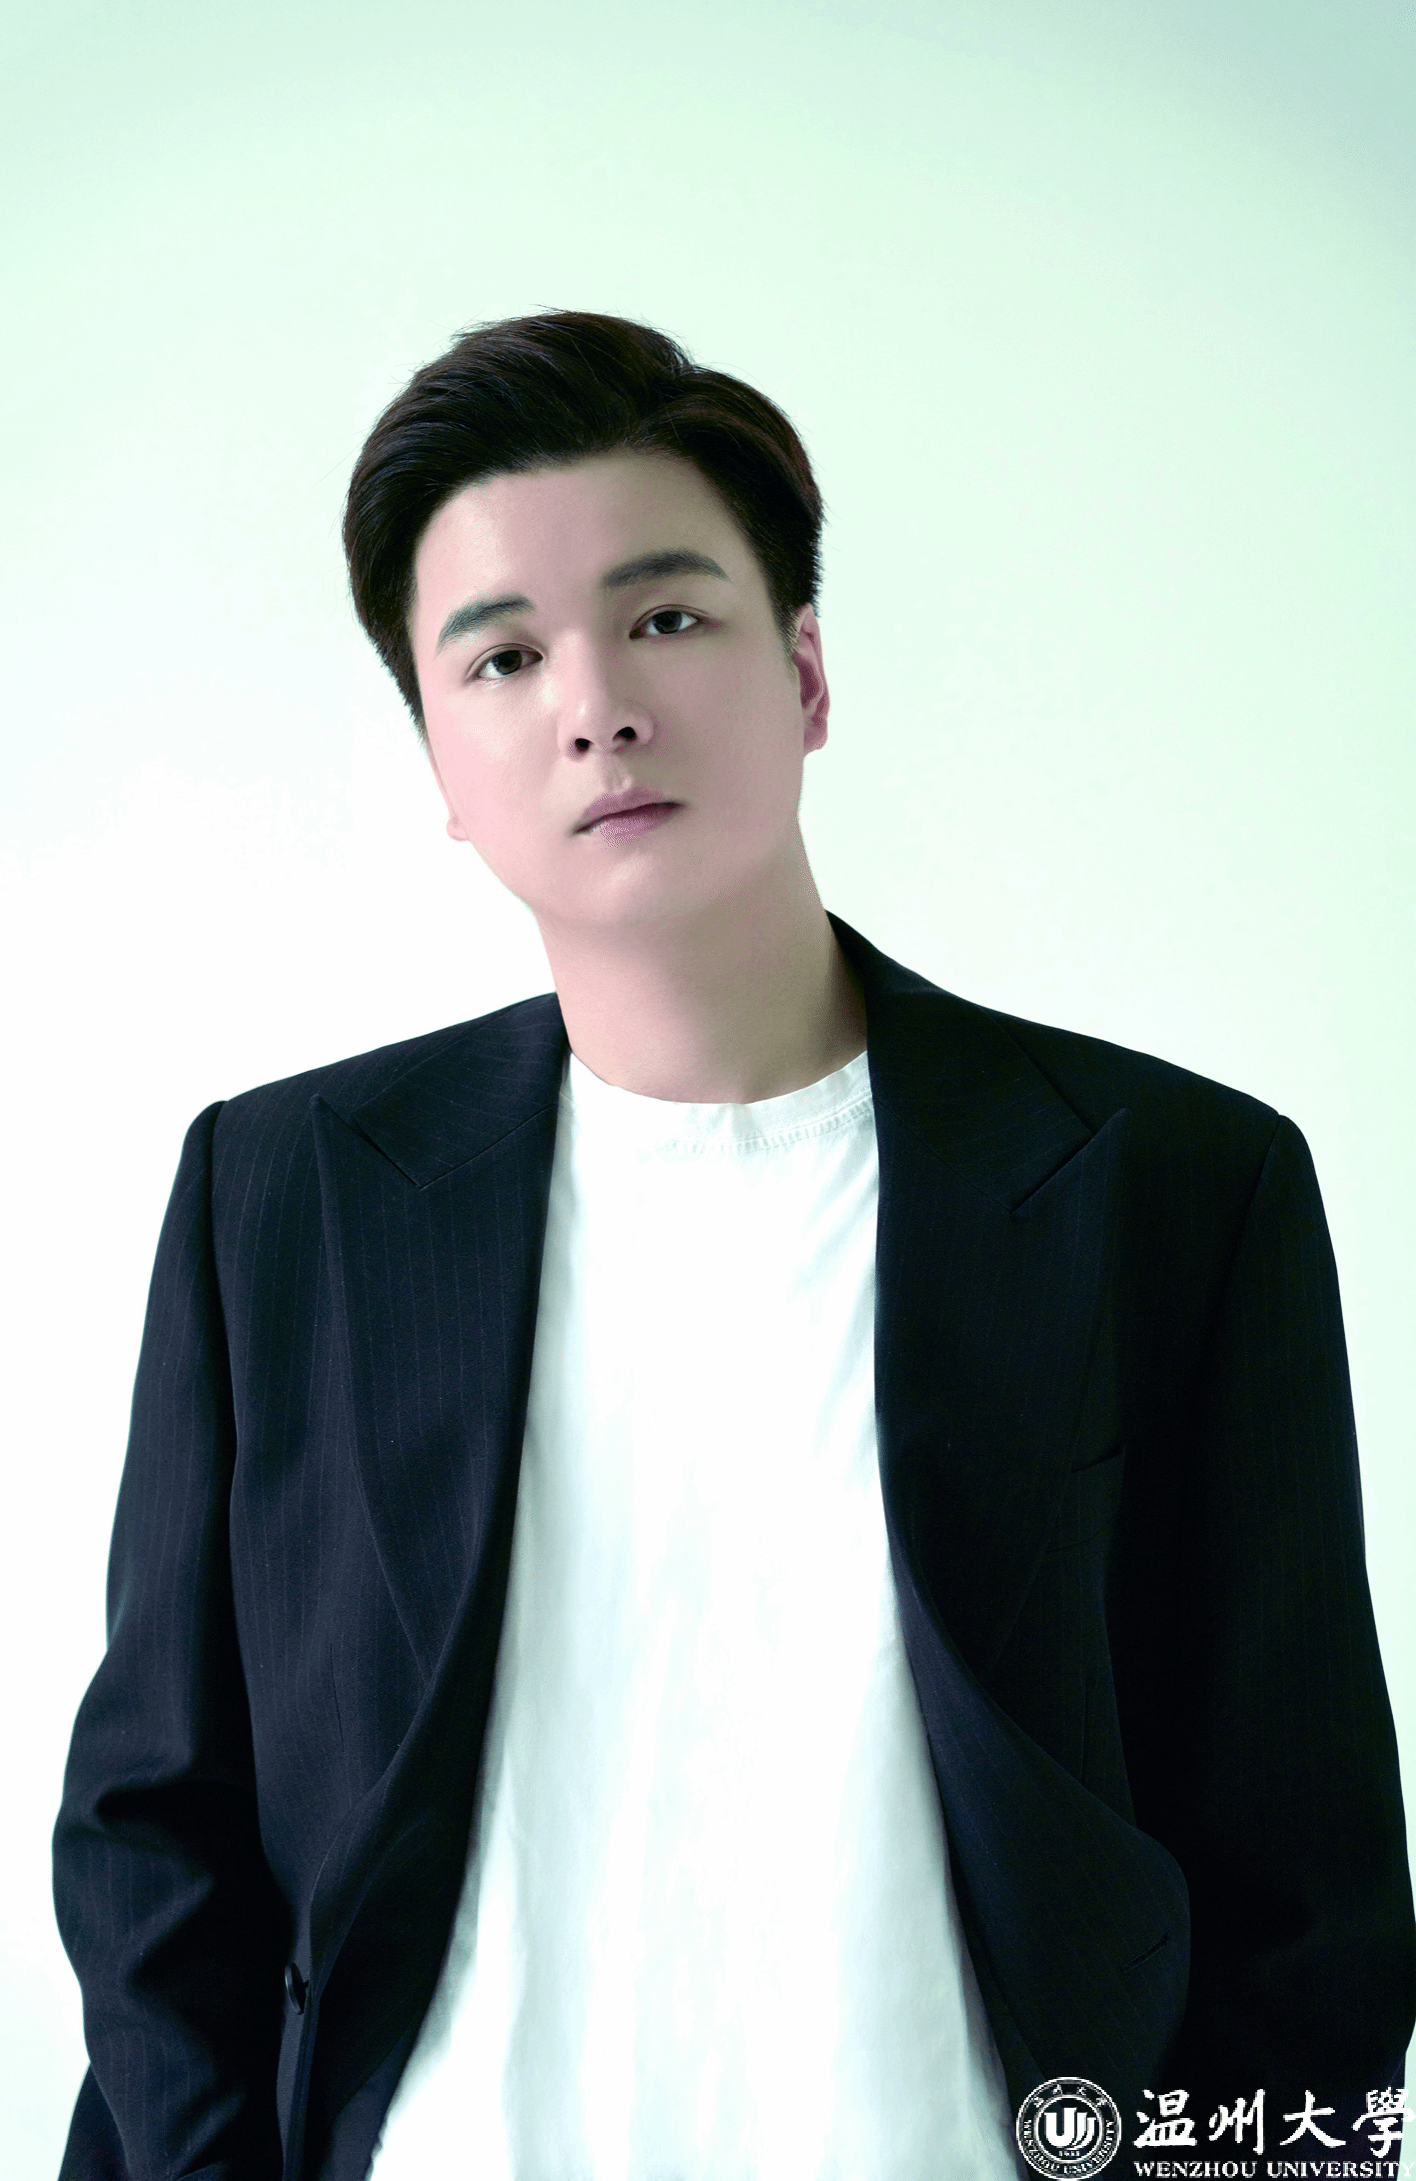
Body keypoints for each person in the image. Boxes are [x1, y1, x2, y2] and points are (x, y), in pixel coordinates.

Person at [53, 311, 1414, 2181]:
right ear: (442, 761)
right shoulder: (281, 1197)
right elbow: (153, 1827)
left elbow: (1307, 1901)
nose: (595, 703)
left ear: (806, 671)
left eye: (668, 617)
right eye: (504, 656)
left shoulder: (1168, 1186)